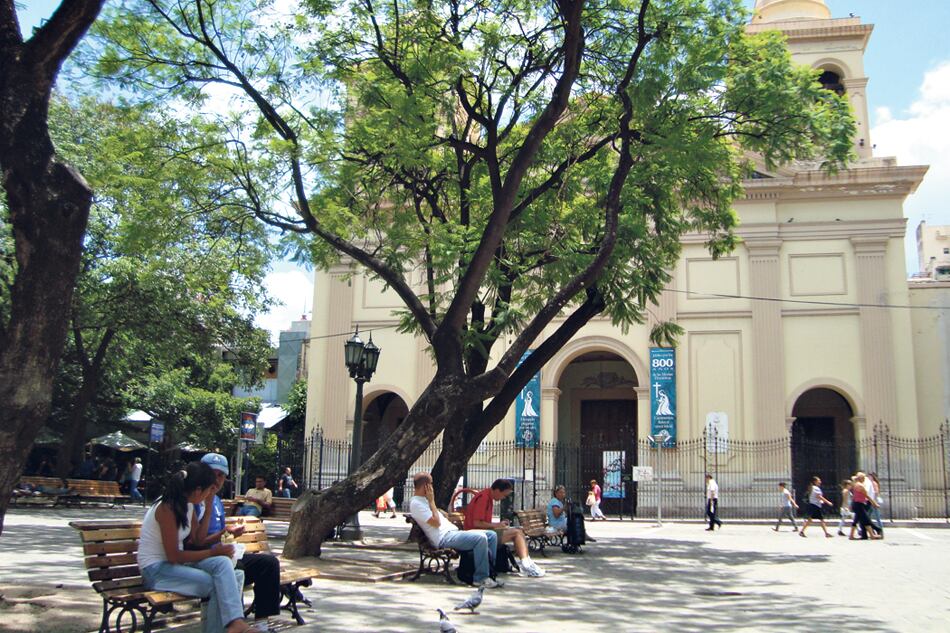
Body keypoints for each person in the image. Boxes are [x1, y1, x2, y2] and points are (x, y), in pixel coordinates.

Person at [137, 462, 264, 633]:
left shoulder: (188, 504)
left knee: (226, 566)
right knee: (216, 583)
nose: (211, 493)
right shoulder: (167, 507)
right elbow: (173, 556)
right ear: (198, 490)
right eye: (209, 490)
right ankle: (232, 624)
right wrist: (212, 552)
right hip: (155, 570)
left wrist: (211, 508)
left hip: (175, 566)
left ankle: (235, 623)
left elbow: (198, 540)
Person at [196, 453, 282, 624]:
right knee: (236, 568)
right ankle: (234, 622)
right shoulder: (194, 500)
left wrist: (230, 534)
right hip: (204, 558)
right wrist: (224, 535)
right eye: (212, 474)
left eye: (221, 475)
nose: (216, 480)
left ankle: (262, 623)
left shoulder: (216, 501)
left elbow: (220, 533)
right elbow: (196, 541)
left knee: (269, 564)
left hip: (222, 553)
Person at [408, 472, 503, 589]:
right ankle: (480, 578)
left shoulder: (424, 501)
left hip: (453, 533)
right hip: (444, 538)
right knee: (480, 538)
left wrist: (433, 504)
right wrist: (432, 502)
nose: (433, 487)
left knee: (492, 535)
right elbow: (436, 523)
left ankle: (491, 574)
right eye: (431, 484)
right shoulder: (416, 504)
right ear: (426, 486)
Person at [463, 479, 545, 577]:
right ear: (497, 490)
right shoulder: (483, 498)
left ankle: (527, 563)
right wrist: (497, 525)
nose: (503, 498)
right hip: (476, 535)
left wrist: (499, 525)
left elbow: (482, 522)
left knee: (518, 531)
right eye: (504, 495)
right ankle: (526, 565)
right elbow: (476, 523)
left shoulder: (487, 497)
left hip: (482, 532)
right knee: (517, 533)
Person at [848, 472, 881, 541]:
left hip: (856, 504)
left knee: (857, 520)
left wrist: (851, 504)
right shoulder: (860, 486)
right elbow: (867, 496)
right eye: (863, 478)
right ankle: (872, 534)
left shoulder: (855, 484)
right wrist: (874, 503)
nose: (864, 479)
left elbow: (854, 496)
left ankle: (851, 535)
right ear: (861, 478)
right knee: (866, 519)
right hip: (859, 505)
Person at [867, 472, 884, 538]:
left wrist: (872, 495)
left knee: (877, 517)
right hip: (870, 502)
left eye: (869, 476)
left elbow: (876, 492)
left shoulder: (873, 483)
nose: (868, 477)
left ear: (872, 477)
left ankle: (880, 531)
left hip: (874, 502)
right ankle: (873, 531)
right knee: (868, 517)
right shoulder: (869, 483)